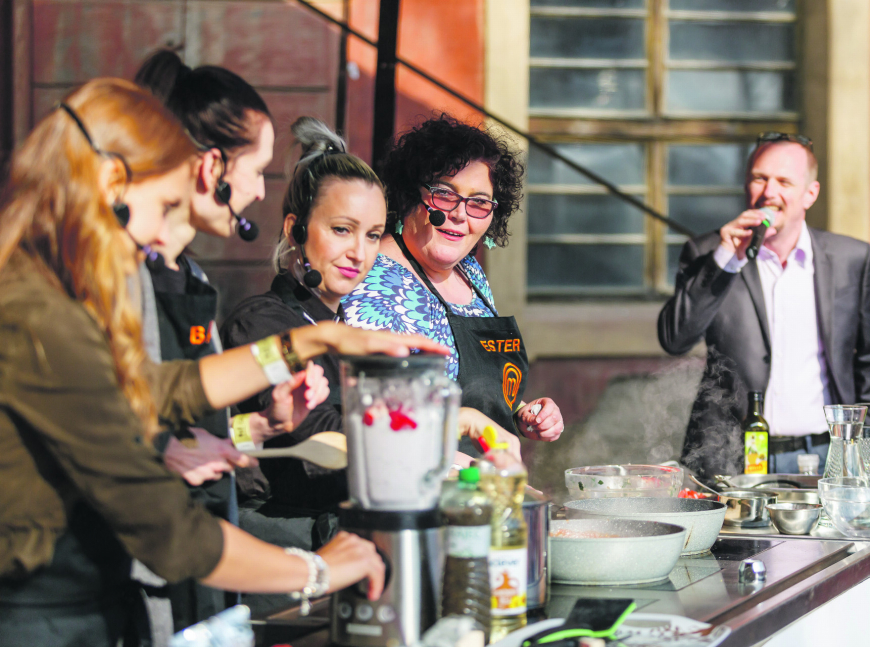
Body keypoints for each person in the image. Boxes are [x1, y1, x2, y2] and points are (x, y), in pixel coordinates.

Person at [0, 78, 449, 647]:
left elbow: (158, 387)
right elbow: (164, 523)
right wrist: (319, 570)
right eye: (163, 206)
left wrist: (311, 343)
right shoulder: (40, 312)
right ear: (113, 184)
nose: (159, 237)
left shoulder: (45, 290)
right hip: (42, 609)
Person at [220, 117, 521, 612]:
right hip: (284, 565)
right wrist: (448, 434)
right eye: (342, 230)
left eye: (373, 234)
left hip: (354, 556)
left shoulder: (349, 332)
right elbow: (320, 434)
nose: (358, 253)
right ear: (297, 229)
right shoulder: (264, 322)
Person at [133, 50, 281, 629]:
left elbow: (200, 424)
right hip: (139, 574)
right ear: (211, 168)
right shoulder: (116, 280)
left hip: (202, 561)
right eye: (259, 171)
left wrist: (263, 426)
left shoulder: (191, 277)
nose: (262, 194)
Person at [657, 132, 870, 478]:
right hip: (730, 456)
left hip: (828, 454)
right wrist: (725, 260)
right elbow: (675, 340)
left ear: (810, 193)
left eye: (784, 181)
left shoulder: (850, 259)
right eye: (759, 178)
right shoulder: (709, 252)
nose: (769, 192)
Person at [343, 115, 564, 460]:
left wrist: (522, 411)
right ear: (409, 194)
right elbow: (377, 422)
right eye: (445, 194)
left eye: (479, 202)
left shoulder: (470, 273)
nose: (461, 214)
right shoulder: (371, 281)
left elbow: (475, 386)